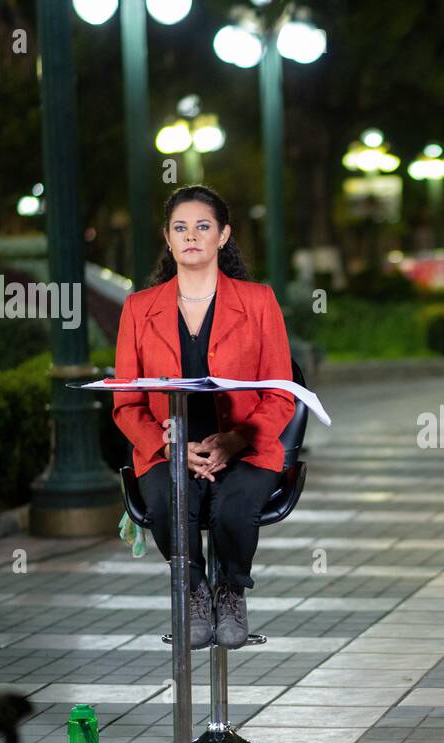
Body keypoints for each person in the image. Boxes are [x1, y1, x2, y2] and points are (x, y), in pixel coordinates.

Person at [112, 185, 295, 649]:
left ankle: (231, 590)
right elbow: (126, 404)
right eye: (180, 227)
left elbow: (281, 393)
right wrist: (170, 447)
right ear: (167, 238)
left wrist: (235, 441)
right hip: (166, 446)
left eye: (203, 226)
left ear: (223, 235)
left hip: (246, 445)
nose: (191, 235)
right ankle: (193, 592)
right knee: (167, 499)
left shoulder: (259, 301)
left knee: (233, 502)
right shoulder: (137, 308)